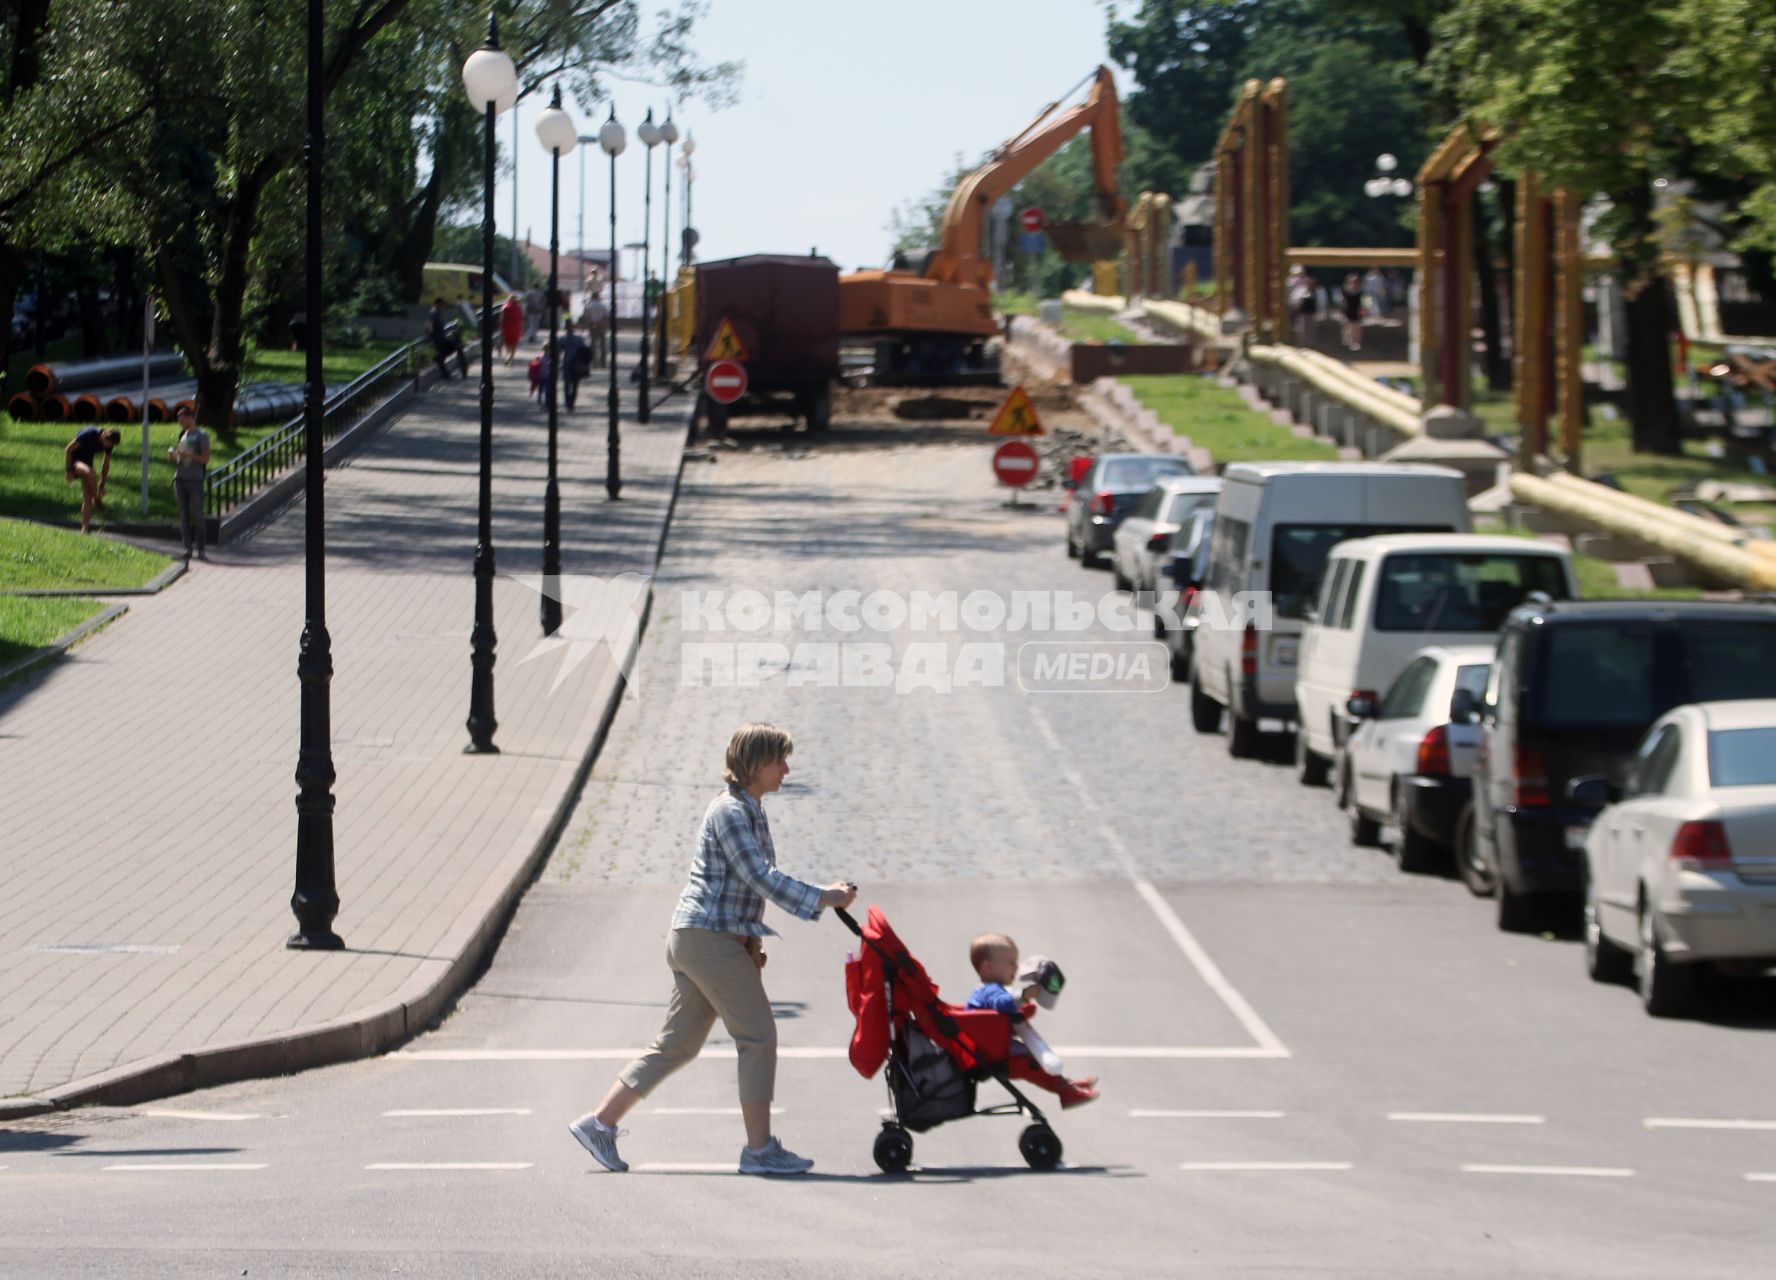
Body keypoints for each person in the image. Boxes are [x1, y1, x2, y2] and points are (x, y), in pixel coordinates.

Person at [569, 724, 859, 1175]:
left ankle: (599, 1123)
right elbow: (758, 877)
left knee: (677, 1045)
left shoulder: (751, 810)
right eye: (779, 760)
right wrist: (824, 896)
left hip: (705, 937)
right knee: (758, 1036)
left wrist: (751, 942)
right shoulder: (730, 812)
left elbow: (743, 890)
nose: (787, 768)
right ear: (755, 764)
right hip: (707, 939)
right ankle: (760, 1151)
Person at [965, 932, 1098, 1108]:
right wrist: (1024, 996)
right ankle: (1064, 1090)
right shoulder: (989, 991)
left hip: (993, 1046)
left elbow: (1000, 1010)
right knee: (1032, 1059)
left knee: (1032, 1055)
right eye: (1010, 962)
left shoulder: (986, 990)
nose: (1015, 967)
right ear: (988, 967)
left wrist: (1021, 1007)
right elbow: (1002, 1003)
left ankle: (1065, 1084)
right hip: (995, 1052)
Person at [166, 405, 210, 560]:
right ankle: (187, 548)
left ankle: (201, 549)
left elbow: (205, 459)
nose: (180, 423)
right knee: (183, 515)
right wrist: (173, 456)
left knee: (197, 514)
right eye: (179, 421)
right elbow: (180, 458)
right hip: (180, 478)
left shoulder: (201, 435)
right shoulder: (182, 435)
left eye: (182, 420)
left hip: (195, 479)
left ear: (190, 418)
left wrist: (187, 455)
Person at [64, 426, 121, 534]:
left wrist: (102, 484)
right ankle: (98, 500)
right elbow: (68, 449)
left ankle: (84, 528)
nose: (108, 446)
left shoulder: (109, 443)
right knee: (90, 472)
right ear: (103, 435)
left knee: (87, 496)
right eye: (107, 443)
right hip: (74, 461)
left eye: (111, 445)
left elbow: (105, 464)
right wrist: (68, 470)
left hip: (87, 463)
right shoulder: (89, 433)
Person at [427, 298, 467, 379]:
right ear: (437, 304)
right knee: (451, 349)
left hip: (442, 338)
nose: (443, 306)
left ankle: (441, 365)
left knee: (445, 353)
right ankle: (446, 374)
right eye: (442, 304)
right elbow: (430, 325)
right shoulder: (433, 313)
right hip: (438, 339)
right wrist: (431, 338)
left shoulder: (437, 313)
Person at [559, 319, 591, 412]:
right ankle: (570, 402)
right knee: (571, 384)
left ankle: (570, 402)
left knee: (571, 384)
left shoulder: (566, 339)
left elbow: (584, 351)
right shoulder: (574, 339)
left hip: (573, 364)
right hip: (571, 364)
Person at [580, 291, 609, 368]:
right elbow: (605, 317)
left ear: (592, 297)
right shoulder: (603, 306)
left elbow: (587, 317)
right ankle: (603, 364)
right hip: (601, 327)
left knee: (593, 345)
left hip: (592, 327)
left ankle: (594, 363)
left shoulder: (589, 306)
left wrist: (593, 324)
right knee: (603, 345)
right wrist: (599, 323)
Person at [1288, 266, 1316, 345]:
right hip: (1295, 308)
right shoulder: (1289, 283)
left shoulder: (1306, 283)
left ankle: (1308, 342)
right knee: (1299, 327)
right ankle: (1300, 343)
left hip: (1307, 309)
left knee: (1308, 327)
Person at [1340, 273, 1365, 351]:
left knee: (1357, 328)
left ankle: (1357, 343)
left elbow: (1363, 302)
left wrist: (1363, 310)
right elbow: (1343, 302)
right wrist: (1342, 311)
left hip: (1357, 312)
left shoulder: (1361, 292)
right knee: (1349, 327)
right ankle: (1350, 342)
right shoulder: (1345, 292)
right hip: (1348, 312)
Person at [499, 294, 523, 364]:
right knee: (514, 343)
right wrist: (522, 328)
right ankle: (511, 358)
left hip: (506, 327)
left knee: (507, 343)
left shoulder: (504, 307)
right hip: (516, 327)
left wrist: (501, 327)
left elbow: (501, 319)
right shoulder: (519, 307)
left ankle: (507, 356)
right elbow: (521, 318)